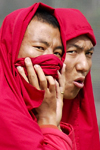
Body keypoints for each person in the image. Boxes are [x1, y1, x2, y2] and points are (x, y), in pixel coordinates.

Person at [0, 3, 75, 150]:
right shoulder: (4, 108)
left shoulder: (43, 106)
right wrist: (48, 120)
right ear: (12, 49)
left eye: (57, 53)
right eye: (39, 48)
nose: (51, 59)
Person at [55, 8, 100, 150]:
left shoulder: (85, 123)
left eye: (89, 53)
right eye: (72, 51)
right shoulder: (10, 117)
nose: (84, 66)